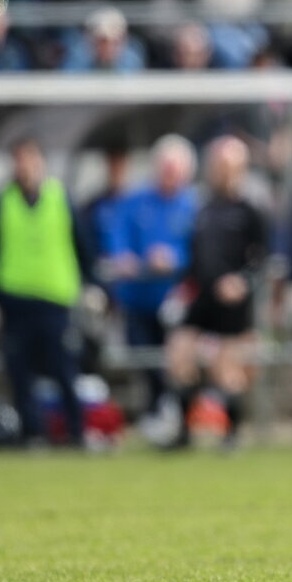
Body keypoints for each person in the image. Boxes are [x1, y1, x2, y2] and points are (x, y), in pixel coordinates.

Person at [164, 136, 267, 449]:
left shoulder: (250, 211)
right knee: (179, 358)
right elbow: (194, 255)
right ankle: (184, 432)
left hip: (232, 301)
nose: (221, 172)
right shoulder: (200, 207)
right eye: (217, 166)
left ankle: (231, 434)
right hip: (202, 296)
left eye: (228, 166)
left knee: (227, 370)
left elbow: (263, 259)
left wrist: (242, 282)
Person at [0, 138, 95, 446]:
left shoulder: (59, 197)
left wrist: (92, 285)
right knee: (20, 371)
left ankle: (76, 431)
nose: (25, 167)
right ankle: (33, 432)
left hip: (54, 297)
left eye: (30, 160)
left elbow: (83, 245)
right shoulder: (4, 201)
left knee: (63, 368)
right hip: (15, 297)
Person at [107, 136, 198, 417]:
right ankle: (156, 410)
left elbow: (200, 248)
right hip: (138, 300)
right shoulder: (135, 202)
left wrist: (175, 259)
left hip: (177, 303)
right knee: (144, 359)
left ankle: (177, 414)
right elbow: (116, 236)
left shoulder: (192, 206)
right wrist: (124, 258)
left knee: (178, 361)